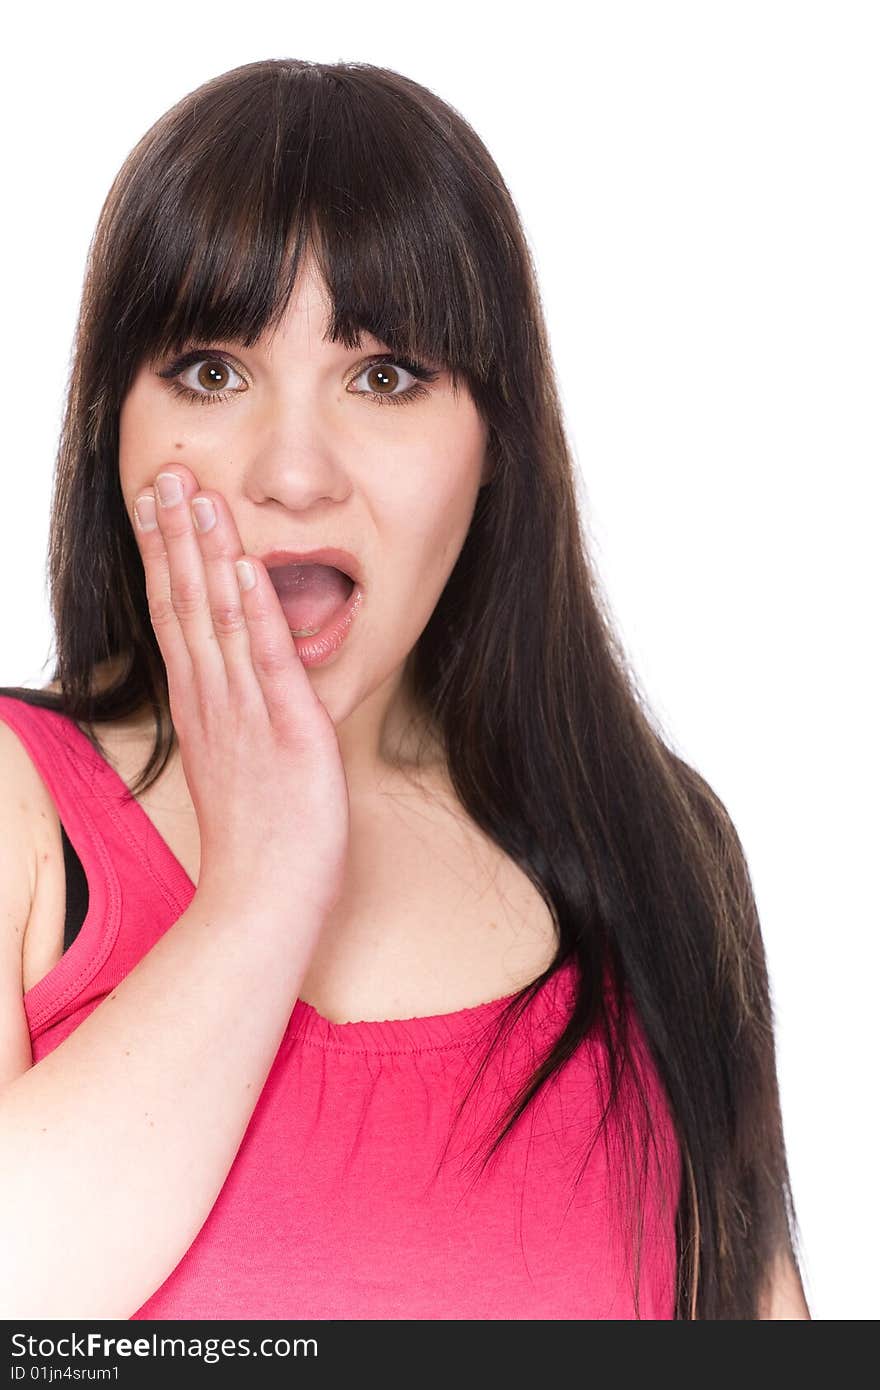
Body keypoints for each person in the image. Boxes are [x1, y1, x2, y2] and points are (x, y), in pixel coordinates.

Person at [0, 57, 809, 1320]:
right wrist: (266, 880)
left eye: (384, 375)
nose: (292, 470)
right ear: (113, 422)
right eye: (212, 369)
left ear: (497, 445)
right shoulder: (20, 806)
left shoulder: (658, 846)